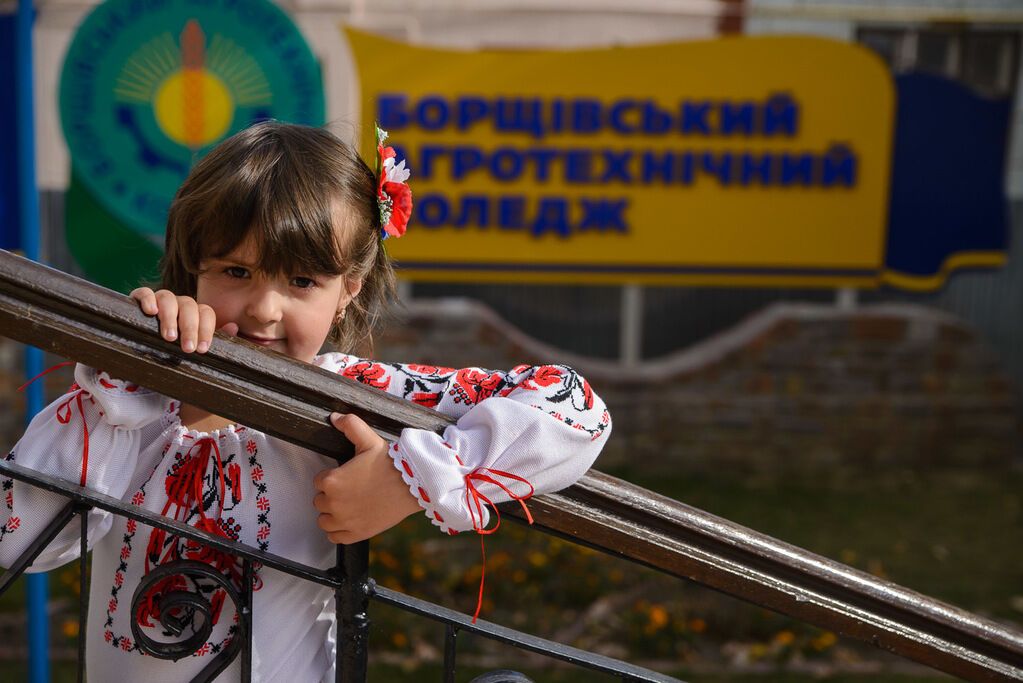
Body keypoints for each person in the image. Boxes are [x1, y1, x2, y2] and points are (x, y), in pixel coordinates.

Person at [0, 121, 610, 682]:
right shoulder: (142, 391)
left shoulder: (347, 394)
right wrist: (127, 375)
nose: (265, 309)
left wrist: (409, 482)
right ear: (194, 268)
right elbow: (19, 541)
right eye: (236, 272)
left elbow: (574, 407)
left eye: (300, 281)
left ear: (349, 289)